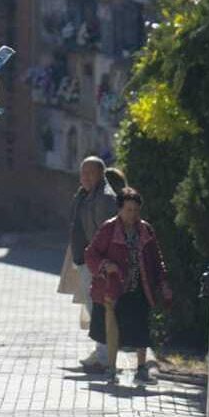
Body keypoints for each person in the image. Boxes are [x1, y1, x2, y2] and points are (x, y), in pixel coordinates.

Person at [84, 187, 170, 385]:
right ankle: (112, 370)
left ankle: (141, 368)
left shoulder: (146, 230)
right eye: (128, 210)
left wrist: (163, 282)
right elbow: (91, 254)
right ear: (120, 209)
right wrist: (107, 265)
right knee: (113, 329)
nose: (132, 214)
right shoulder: (109, 228)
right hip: (114, 287)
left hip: (140, 285)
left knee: (141, 327)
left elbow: (157, 259)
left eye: (136, 210)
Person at [61, 156, 117, 366]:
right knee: (92, 306)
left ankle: (103, 356)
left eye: (89, 173)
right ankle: (101, 351)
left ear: (100, 174)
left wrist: (102, 263)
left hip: (97, 263)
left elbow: (106, 234)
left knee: (99, 307)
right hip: (87, 260)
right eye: (82, 173)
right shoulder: (87, 194)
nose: (83, 177)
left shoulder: (104, 198)